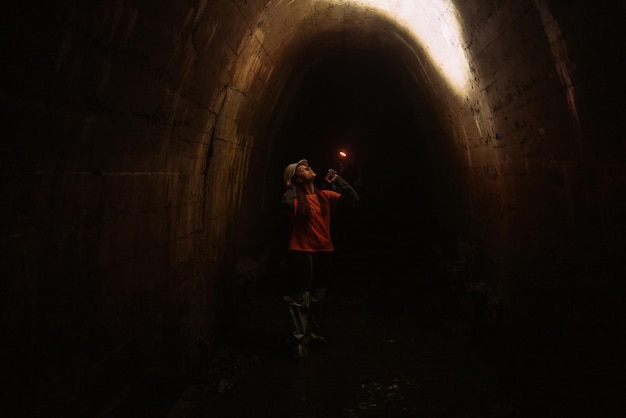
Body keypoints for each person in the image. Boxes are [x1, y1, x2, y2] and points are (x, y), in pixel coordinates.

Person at [281, 159, 359, 359]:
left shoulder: (325, 196)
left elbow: (352, 198)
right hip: (301, 252)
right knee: (301, 299)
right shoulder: (297, 199)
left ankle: (311, 335)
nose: (308, 168)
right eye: (302, 169)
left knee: (317, 296)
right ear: (297, 178)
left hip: (324, 252)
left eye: (307, 166)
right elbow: (287, 205)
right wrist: (289, 186)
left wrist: (338, 180)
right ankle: (298, 340)